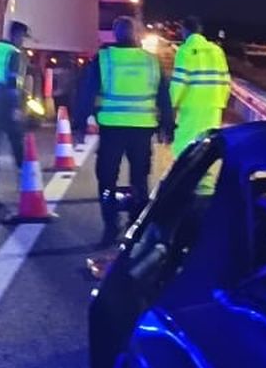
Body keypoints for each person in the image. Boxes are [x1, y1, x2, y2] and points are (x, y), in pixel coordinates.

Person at [74, 16, 173, 243]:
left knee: (107, 179)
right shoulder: (151, 61)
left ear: (115, 34)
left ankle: (110, 227)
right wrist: (167, 124)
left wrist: (80, 122)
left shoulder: (105, 59)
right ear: (136, 34)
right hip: (142, 129)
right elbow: (164, 96)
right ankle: (136, 228)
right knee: (139, 179)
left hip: (112, 128)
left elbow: (87, 93)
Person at [169, 15, 231, 184]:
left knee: (186, 143)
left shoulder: (186, 50)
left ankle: (185, 181)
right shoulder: (217, 50)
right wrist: (221, 102)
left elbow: (179, 83)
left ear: (185, 30)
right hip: (214, 106)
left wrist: (171, 105)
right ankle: (206, 183)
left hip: (192, 106)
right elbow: (226, 80)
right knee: (207, 145)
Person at [0, 21, 30, 200]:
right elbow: (12, 84)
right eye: (23, 37)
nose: (23, 42)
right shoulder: (14, 54)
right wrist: (16, 108)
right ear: (17, 35)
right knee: (17, 143)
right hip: (5, 102)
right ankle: (27, 186)